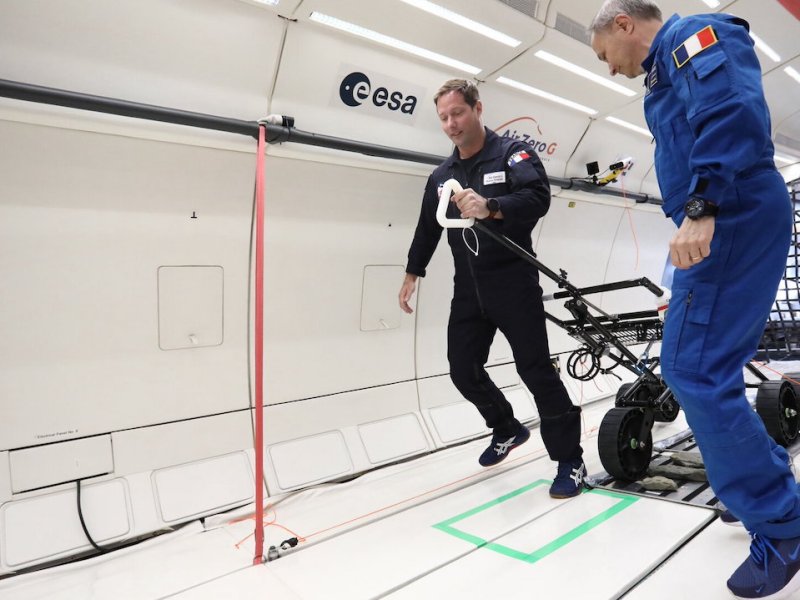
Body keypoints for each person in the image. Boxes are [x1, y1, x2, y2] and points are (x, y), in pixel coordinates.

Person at [589, 2, 800, 597]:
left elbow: (730, 108)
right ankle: (759, 479)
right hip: (729, 210)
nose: (610, 69)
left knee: (693, 371)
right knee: (707, 370)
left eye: (604, 55)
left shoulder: (693, 38)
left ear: (624, 24)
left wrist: (703, 204)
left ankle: (782, 524)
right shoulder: (665, 70)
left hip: (730, 209)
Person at [398, 78, 585, 499]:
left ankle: (569, 461)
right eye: (444, 117)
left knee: (535, 371)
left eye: (457, 113)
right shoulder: (442, 176)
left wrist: (492, 206)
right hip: (469, 289)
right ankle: (506, 427)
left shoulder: (513, 154)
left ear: (477, 109)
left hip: (513, 283)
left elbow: (538, 197)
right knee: (462, 369)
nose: (451, 124)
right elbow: (427, 227)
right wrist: (413, 273)